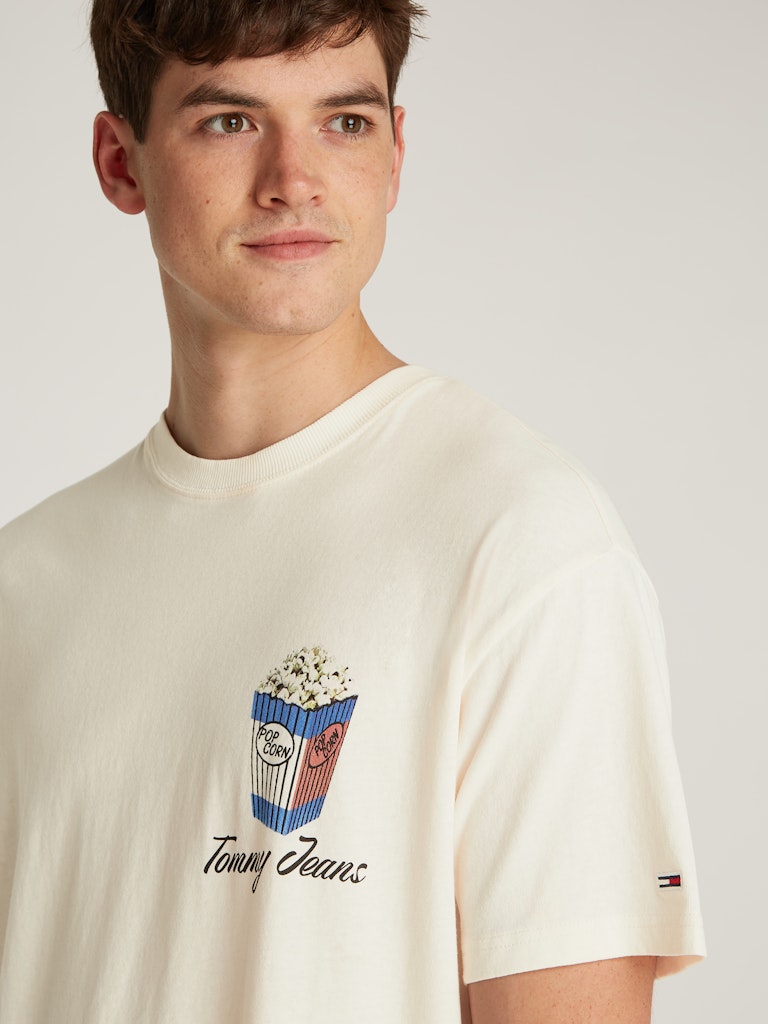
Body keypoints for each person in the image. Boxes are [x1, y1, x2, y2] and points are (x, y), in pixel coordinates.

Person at [0, 1, 705, 1021]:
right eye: (230, 120)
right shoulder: (24, 584)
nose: (294, 178)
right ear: (122, 162)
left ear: (395, 154)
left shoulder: (522, 544)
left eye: (344, 121)